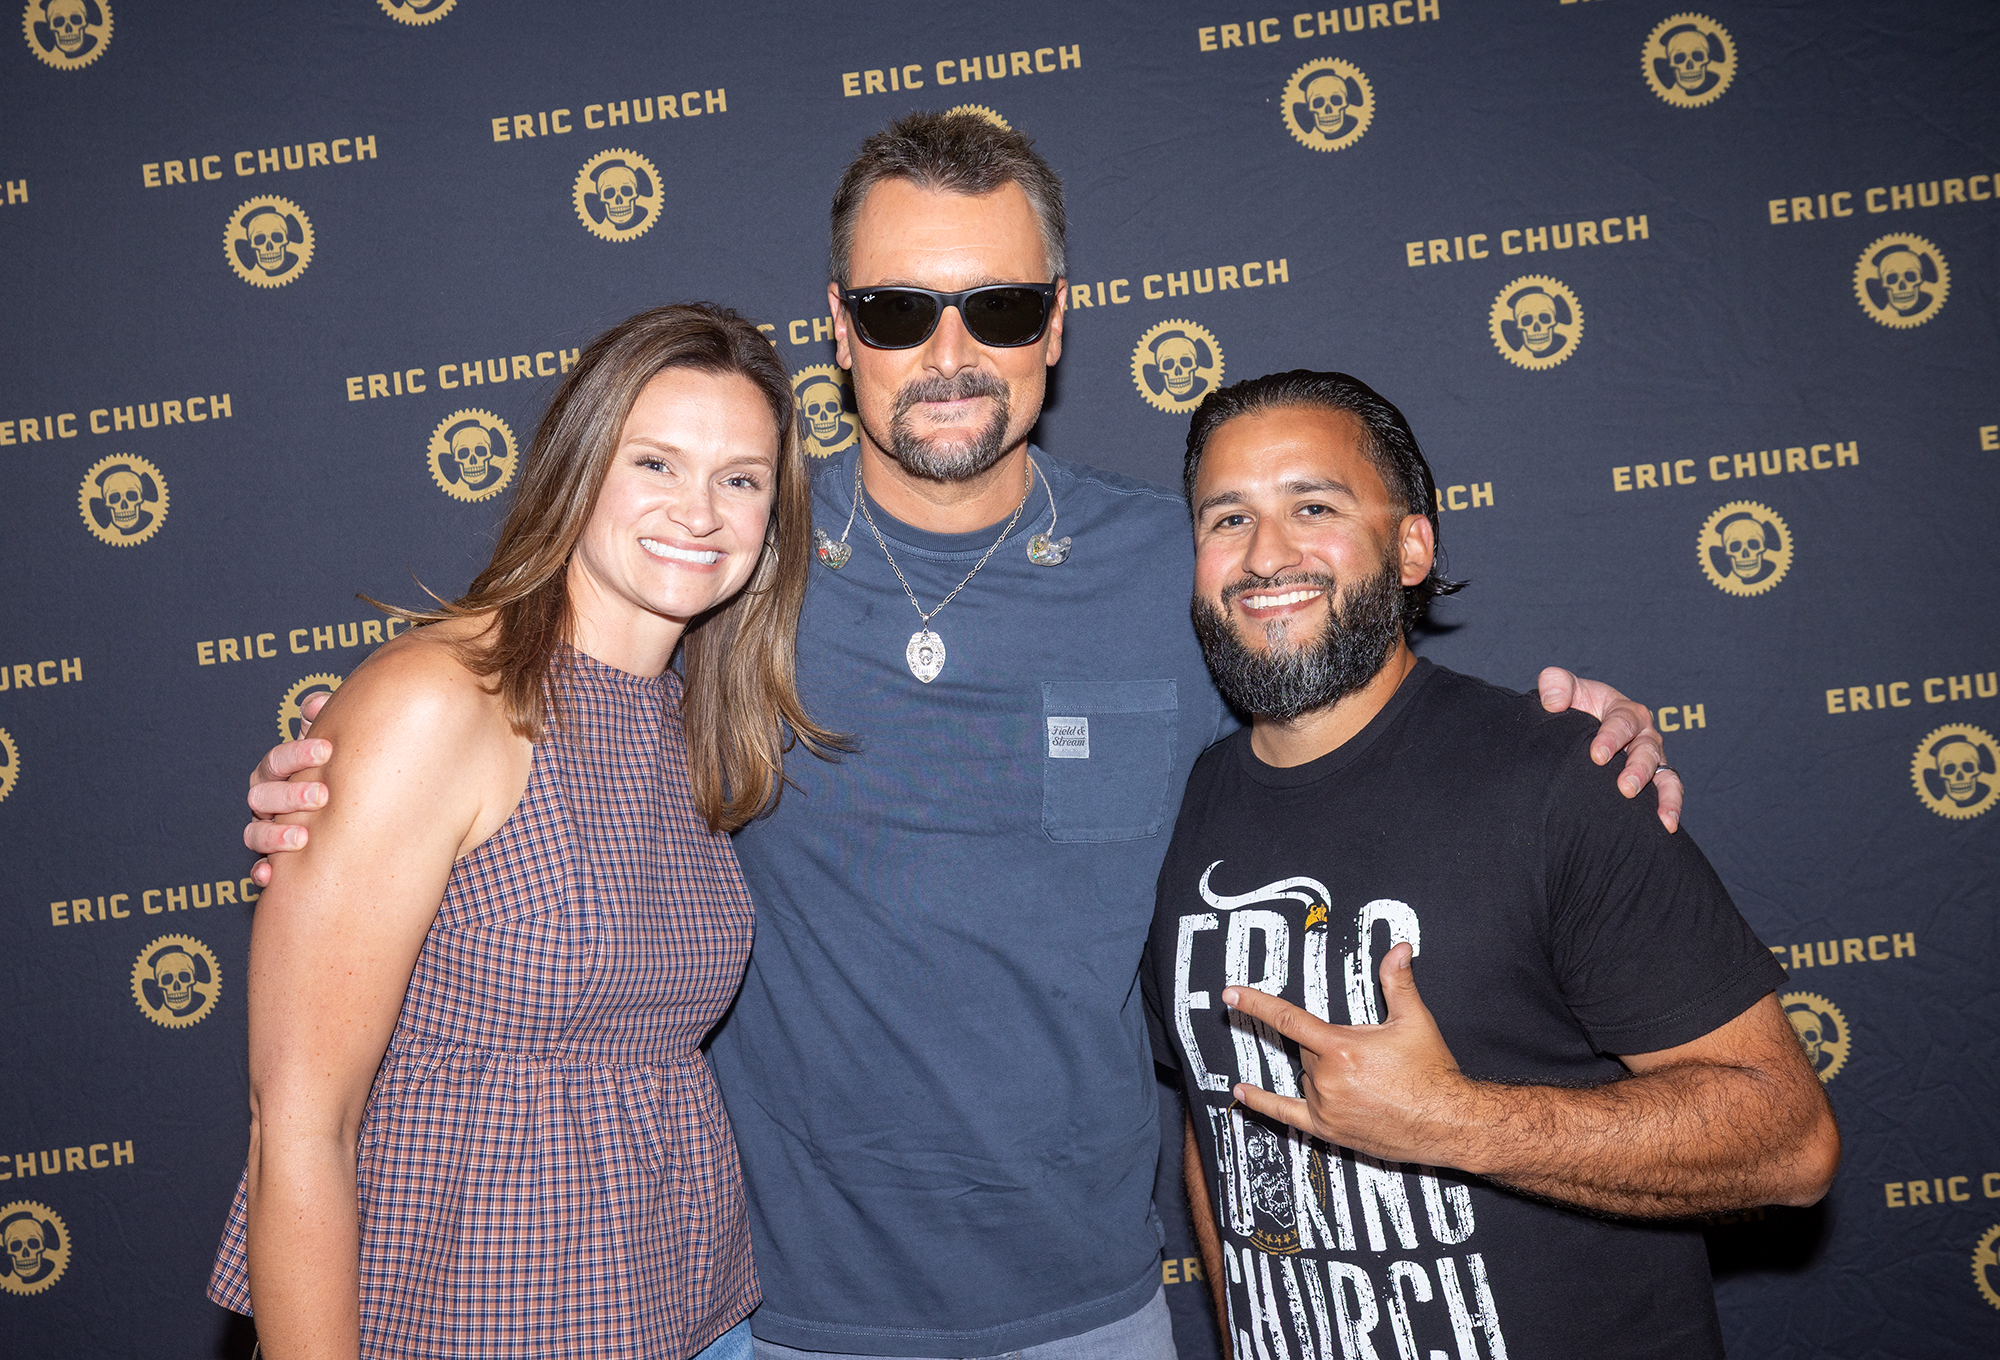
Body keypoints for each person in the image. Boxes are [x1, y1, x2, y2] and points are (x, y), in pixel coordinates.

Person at [245, 113, 1679, 1359]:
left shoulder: (1180, 567)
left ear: (1055, 320)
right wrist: (349, 784)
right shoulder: (736, 561)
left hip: (1092, 1303)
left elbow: (1356, 716)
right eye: (896, 310)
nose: (948, 354)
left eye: (995, 308)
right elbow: (539, 714)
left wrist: (1562, 742)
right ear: (838, 324)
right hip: (772, 1313)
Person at [1144, 369, 1839, 1359]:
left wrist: (1448, 1120)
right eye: (1227, 518)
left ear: (1412, 546)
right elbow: (1216, 1129)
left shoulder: (1557, 778)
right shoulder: (1177, 814)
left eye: (1313, 506)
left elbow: (1789, 1141)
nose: (1265, 554)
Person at [210, 304, 843, 1360]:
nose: (698, 511)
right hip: (471, 1321)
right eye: (655, 462)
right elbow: (300, 1127)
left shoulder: (688, 721)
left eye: (739, 479)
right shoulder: (437, 701)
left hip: (692, 1319)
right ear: (577, 469)